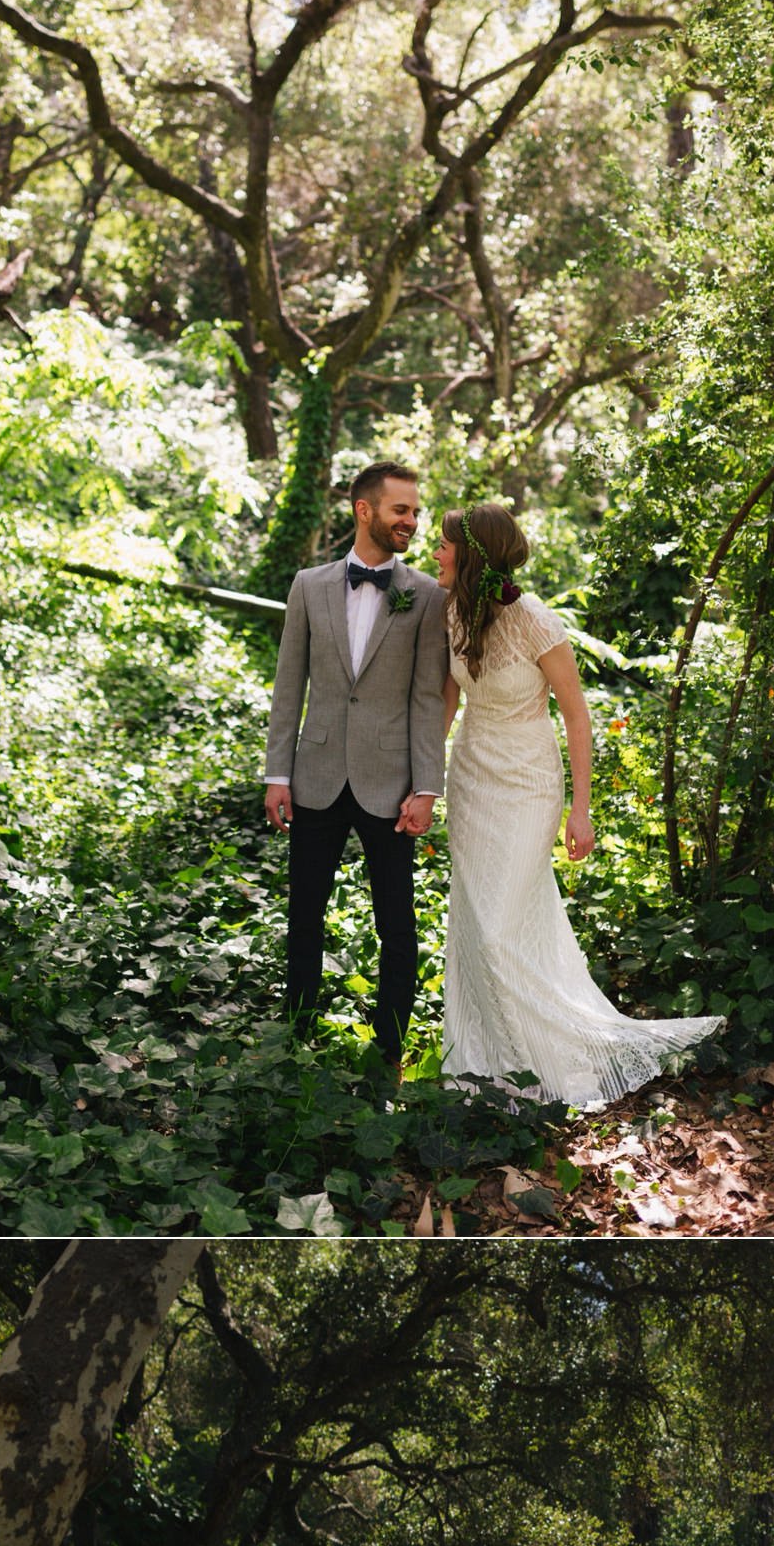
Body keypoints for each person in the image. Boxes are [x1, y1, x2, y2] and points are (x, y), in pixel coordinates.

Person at [435, 497, 723, 1112]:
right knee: (478, 922)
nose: (435, 552)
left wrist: (581, 809)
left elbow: (576, 715)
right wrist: (423, 780)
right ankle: (487, 1061)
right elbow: (446, 706)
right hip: (472, 782)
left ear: (474, 554)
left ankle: (550, 1058)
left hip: (529, 783)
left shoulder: (536, 619)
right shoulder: (451, 614)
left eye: (444, 543)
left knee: (501, 928)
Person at [264, 456, 450, 1073]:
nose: (412, 522)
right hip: (315, 777)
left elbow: (428, 696)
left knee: (396, 920)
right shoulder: (308, 586)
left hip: (389, 784)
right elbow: (288, 685)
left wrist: (427, 786)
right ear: (364, 510)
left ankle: (390, 1046)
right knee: (304, 912)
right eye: (402, 510)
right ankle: (295, 1031)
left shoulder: (425, 596)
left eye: (417, 512)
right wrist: (278, 774)